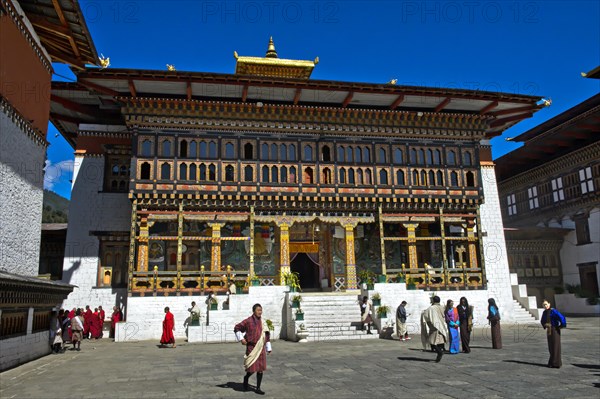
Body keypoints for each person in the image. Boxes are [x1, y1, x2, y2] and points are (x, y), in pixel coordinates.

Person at [234, 303, 272, 395]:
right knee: (251, 368)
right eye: (258, 310)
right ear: (254, 311)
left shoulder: (263, 322)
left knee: (260, 369)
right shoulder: (248, 321)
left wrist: (268, 347)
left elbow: (266, 335)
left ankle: (258, 388)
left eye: (261, 310)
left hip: (261, 348)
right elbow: (237, 328)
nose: (260, 312)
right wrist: (241, 339)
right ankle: (246, 378)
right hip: (251, 347)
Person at [420, 295, 448, 362]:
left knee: (432, 342)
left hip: (435, 327)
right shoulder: (441, 307)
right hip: (441, 326)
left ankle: (439, 352)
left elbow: (426, 314)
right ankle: (440, 353)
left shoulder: (432, 308)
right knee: (439, 341)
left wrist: (423, 312)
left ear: (433, 300)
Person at [541, 299, 567, 368]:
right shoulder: (544, 312)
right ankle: (551, 362)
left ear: (549, 304)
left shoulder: (553, 311)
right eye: (544, 305)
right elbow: (542, 320)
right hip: (549, 330)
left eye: (546, 304)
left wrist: (562, 325)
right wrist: (545, 325)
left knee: (556, 346)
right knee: (551, 346)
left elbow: (561, 317)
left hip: (555, 329)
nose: (545, 306)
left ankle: (557, 363)